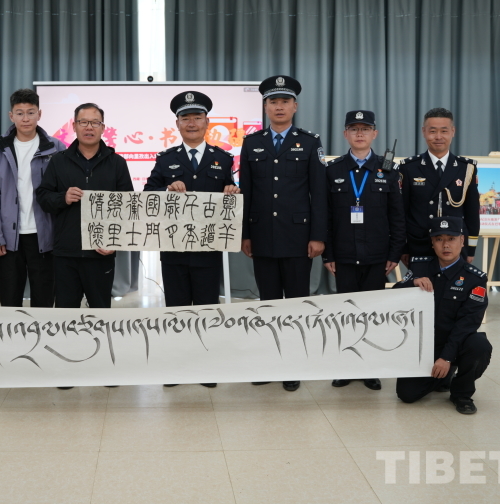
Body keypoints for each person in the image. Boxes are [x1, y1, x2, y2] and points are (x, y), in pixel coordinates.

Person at [144, 91, 240, 389]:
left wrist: (232, 190)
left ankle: (205, 366)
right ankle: (177, 366)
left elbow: (231, 193)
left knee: (207, 308)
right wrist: (166, 190)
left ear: (207, 122)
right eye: (186, 118)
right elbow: (148, 195)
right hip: (173, 248)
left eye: (198, 117)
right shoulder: (166, 159)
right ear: (177, 124)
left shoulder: (222, 158)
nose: (192, 123)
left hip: (208, 248)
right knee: (177, 308)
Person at [239, 75, 327, 392]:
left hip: (298, 238)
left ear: (295, 106)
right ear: (265, 107)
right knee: (268, 303)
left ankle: (293, 364)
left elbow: (319, 193)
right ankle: (269, 361)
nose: (279, 106)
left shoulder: (310, 142)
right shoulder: (252, 143)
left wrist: (318, 235)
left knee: (296, 303)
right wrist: (245, 234)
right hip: (262, 236)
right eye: (273, 101)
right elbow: (246, 191)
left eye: (285, 101)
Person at [323, 110, 405, 391]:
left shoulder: (389, 170)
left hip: (377, 256)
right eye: (354, 128)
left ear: (374, 134)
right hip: (344, 255)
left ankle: (370, 368)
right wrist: (329, 254)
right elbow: (326, 217)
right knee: (346, 313)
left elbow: (397, 216)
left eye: (365, 128)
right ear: (345, 134)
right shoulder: (333, 170)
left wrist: (394, 254)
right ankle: (346, 366)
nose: (360, 133)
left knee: (371, 313)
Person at [36, 103, 134, 309]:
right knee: (65, 313)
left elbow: (128, 207)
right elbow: (43, 197)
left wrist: (114, 242)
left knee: (100, 312)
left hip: (101, 253)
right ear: (74, 126)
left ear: (103, 127)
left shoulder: (117, 163)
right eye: (83, 122)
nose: (89, 127)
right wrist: (63, 198)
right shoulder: (58, 161)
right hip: (66, 253)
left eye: (95, 122)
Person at [394, 216, 492, 414]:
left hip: (456, 342)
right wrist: (411, 283)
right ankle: (443, 377)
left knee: (479, 346)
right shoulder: (419, 267)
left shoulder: (474, 278)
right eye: (439, 239)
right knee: (407, 394)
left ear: (462, 241)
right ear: (432, 242)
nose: (445, 245)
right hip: (425, 346)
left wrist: (447, 357)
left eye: (451, 239)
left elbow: (468, 322)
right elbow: (392, 296)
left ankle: (462, 393)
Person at [0, 88, 65, 307]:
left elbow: (62, 193)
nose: (26, 118)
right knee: (10, 299)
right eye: (20, 113)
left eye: (31, 112)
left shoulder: (56, 147)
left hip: (45, 235)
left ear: (39, 114)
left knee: (44, 297)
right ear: (11, 116)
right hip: (10, 238)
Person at [400, 107, 480, 265]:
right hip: (419, 244)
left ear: (452, 132)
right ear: (424, 132)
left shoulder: (466, 168)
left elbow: (472, 212)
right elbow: (402, 212)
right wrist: (403, 247)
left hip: (455, 245)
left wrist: (471, 248)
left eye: (444, 131)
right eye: (432, 131)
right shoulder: (409, 167)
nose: (438, 137)